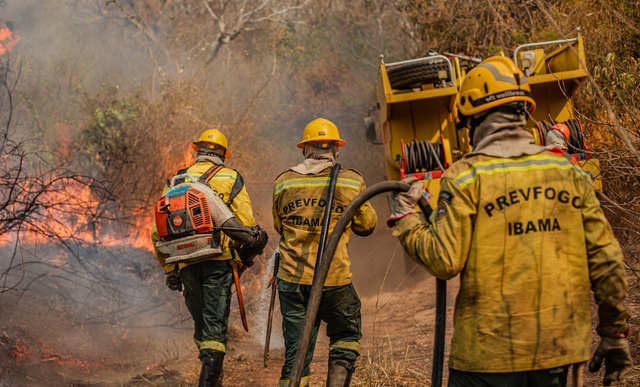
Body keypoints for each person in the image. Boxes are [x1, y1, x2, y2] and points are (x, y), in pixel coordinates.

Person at [388, 56, 631, 387]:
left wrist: (406, 217)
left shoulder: (466, 177)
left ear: (473, 117)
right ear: (524, 112)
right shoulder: (569, 174)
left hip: (486, 357)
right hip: (558, 352)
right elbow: (607, 259)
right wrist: (615, 332)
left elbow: (444, 261)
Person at [151, 129, 267, 387]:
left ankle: (210, 369)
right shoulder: (231, 176)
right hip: (218, 261)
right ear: (223, 154)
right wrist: (242, 259)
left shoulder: (175, 179)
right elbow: (245, 225)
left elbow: (156, 231)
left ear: (198, 152)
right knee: (215, 328)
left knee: (201, 323)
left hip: (185, 264)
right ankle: (211, 373)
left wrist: (170, 269)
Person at [272, 118, 378, 387]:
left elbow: (279, 226)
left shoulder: (283, 182)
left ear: (305, 149)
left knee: (296, 357)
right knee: (345, 336)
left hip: (292, 281)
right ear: (335, 148)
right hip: (334, 281)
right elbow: (367, 226)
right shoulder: (351, 181)